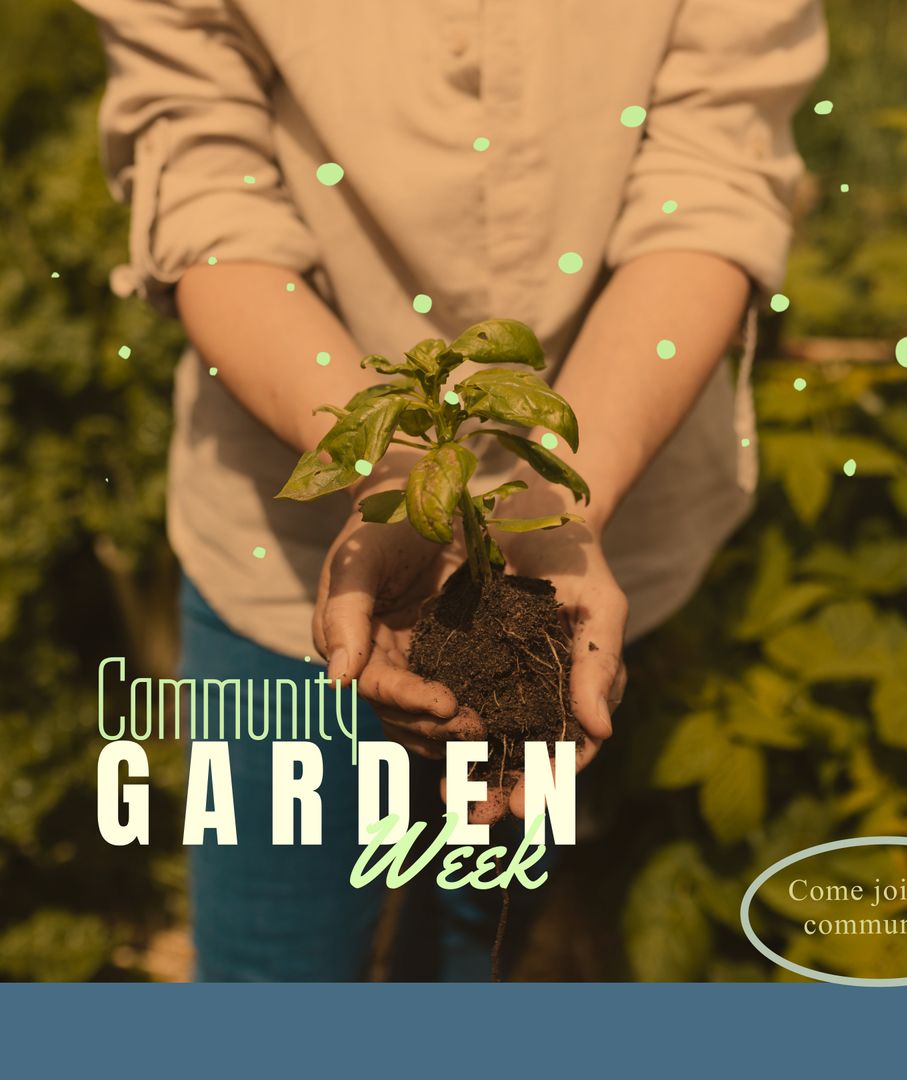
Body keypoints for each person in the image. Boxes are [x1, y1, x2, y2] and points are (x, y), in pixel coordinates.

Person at [77, 0, 827, 980]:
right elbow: (206, 186)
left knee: (477, 944)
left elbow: (711, 180)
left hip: (587, 546)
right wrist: (386, 474)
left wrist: (555, 502)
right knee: (271, 976)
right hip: (280, 550)